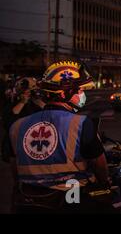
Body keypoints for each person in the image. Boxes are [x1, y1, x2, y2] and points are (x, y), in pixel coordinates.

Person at [8, 61, 111, 213]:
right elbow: (99, 164)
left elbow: (13, 166)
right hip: (71, 197)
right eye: (80, 90)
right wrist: (104, 182)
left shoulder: (17, 126)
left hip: (27, 198)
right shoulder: (81, 123)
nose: (82, 94)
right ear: (63, 94)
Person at [1, 77, 45, 163]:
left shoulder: (38, 104)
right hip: (15, 149)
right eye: (27, 87)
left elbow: (50, 114)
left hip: (35, 148)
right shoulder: (11, 105)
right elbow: (8, 122)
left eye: (34, 87)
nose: (30, 90)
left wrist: (37, 100)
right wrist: (22, 102)